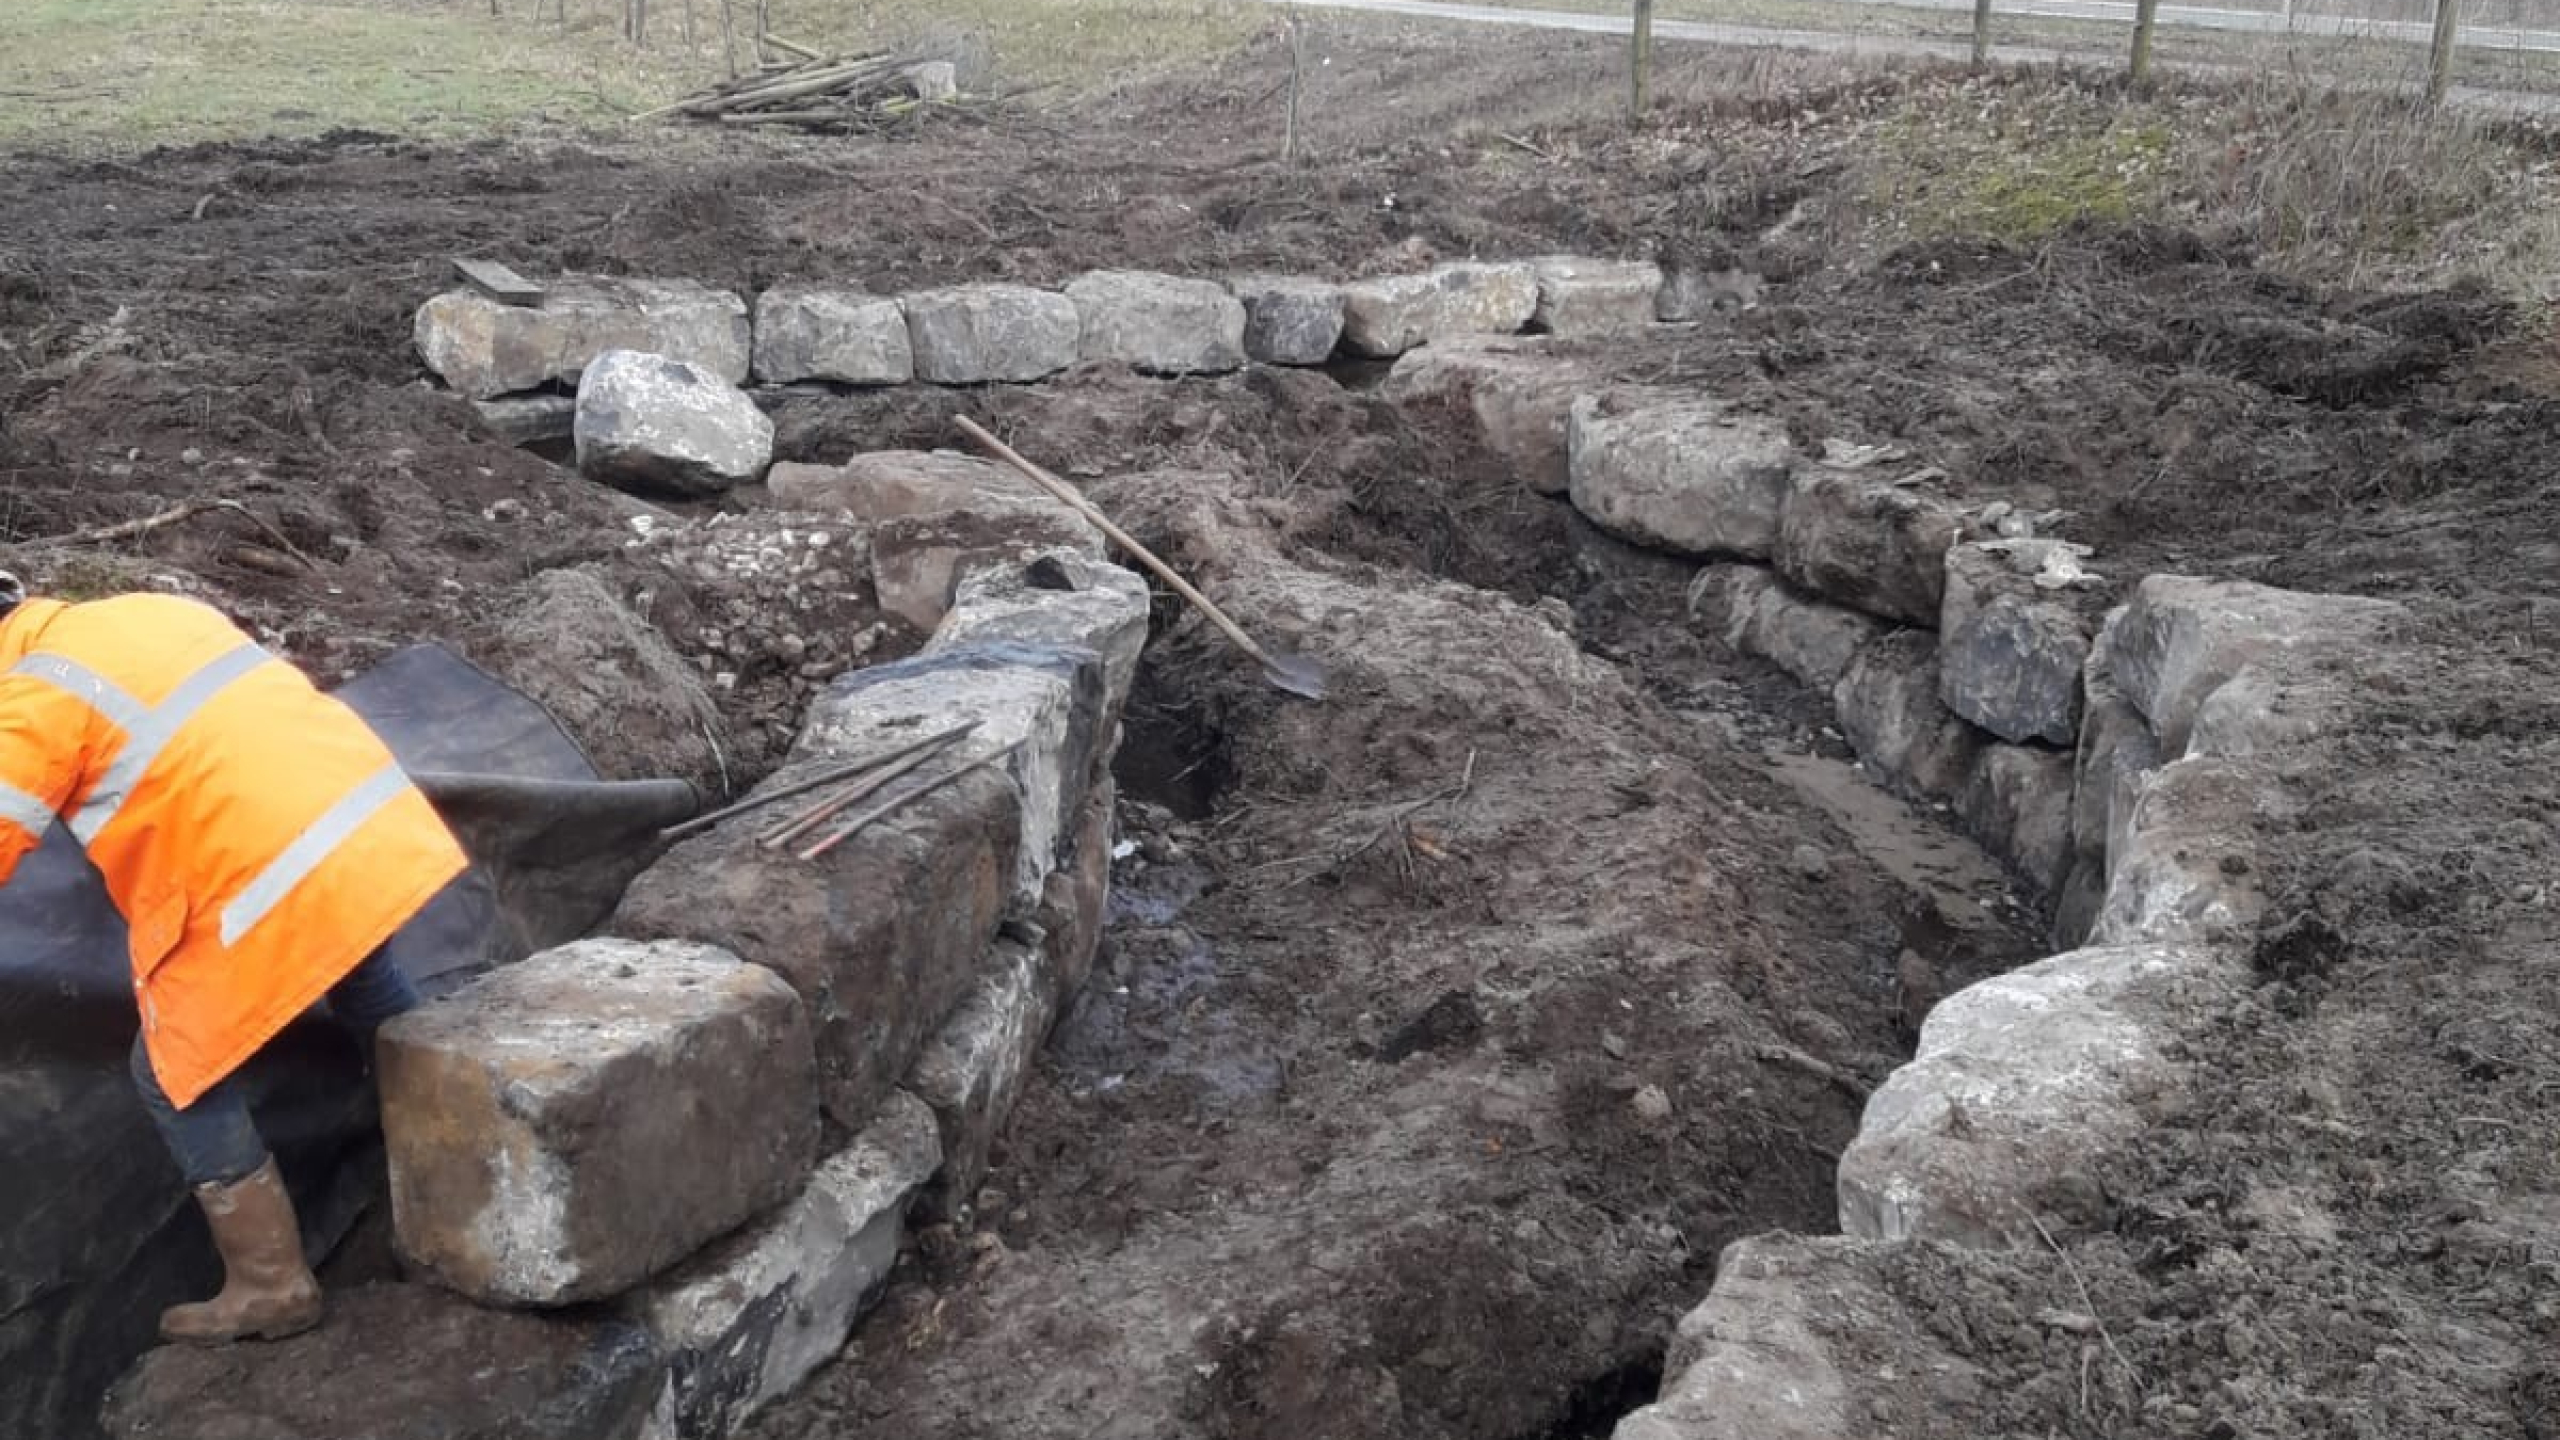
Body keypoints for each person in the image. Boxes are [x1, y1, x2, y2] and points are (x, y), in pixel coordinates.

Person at [0, 572, 466, 1345]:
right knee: (359, 968)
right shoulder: (142, 610)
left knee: (173, 1077)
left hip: (263, 869)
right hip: (357, 821)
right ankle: (456, 1140)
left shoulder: (33, 695)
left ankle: (270, 1282)